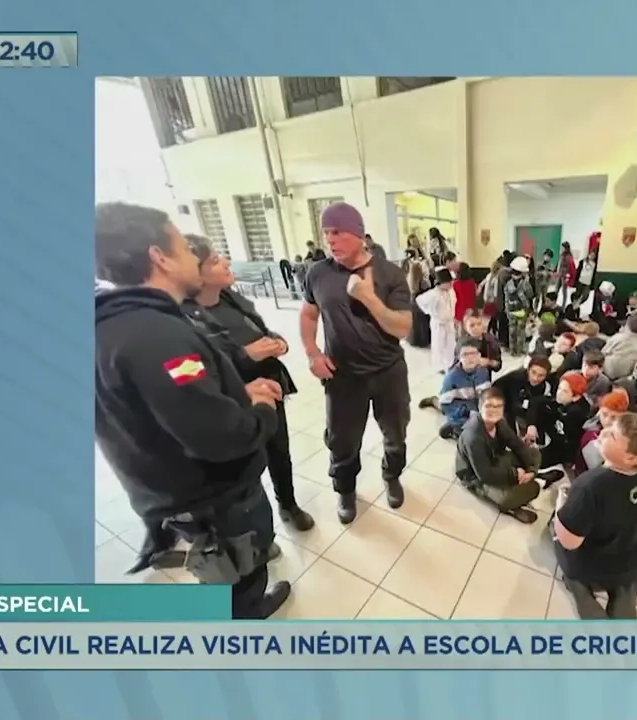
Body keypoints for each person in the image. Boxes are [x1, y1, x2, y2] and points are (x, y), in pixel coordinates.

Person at [93, 202, 290, 618]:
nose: (194, 257)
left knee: (222, 577)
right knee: (238, 581)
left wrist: (232, 392)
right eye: (184, 247)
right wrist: (260, 408)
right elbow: (222, 438)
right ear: (159, 257)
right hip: (213, 501)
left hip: (171, 491)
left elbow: (162, 406)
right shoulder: (158, 336)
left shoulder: (109, 325)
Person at [181, 235, 314, 531]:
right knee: (246, 467)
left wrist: (276, 342)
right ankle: (258, 532)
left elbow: (260, 330)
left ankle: (288, 504)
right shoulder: (182, 320)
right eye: (215, 260)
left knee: (279, 452)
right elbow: (192, 372)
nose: (226, 262)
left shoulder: (232, 298)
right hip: (230, 402)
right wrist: (244, 355)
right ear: (194, 272)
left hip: (268, 391)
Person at [300, 202, 414, 524]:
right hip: (343, 376)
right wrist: (312, 353)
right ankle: (345, 489)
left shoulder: (390, 274)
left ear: (359, 234)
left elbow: (402, 328)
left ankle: (392, 475)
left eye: (337, 232)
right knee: (342, 440)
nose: (330, 240)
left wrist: (369, 298)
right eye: (326, 233)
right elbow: (308, 314)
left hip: (388, 372)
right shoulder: (318, 273)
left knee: (395, 433)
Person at [553, 412, 637, 619]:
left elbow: (569, 541)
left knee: (556, 533)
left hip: (593, 565)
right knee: (624, 571)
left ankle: (582, 593)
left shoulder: (589, 485)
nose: (603, 432)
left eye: (613, 435)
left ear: (631, 458)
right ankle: (625, 591)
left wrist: (561, 505)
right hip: (629, 561)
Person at [456, 388, 543, 523]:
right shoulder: (472, 437)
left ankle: (522, 482)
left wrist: (530, 470)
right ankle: (510, 503)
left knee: (534, 453)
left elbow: (517, 444)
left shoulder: (500, 422)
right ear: (479, 407)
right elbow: (484, 475)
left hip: (497, 459)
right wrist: (515, 474)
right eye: (489, 406)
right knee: (530, 490)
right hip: (476, 477)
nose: (494, 410)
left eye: (498, 407)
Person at [532, 371, 594, 484]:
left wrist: (548, 425)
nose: (559, 393)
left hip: (564, 449)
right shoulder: (570, 403)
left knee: (532, 461)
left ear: (576, 397)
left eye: (564, 391)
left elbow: (562, 439)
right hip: (560, 438)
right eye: (559, 388)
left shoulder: (574, 414)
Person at [435, 343, 492, 439]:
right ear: (458, 357)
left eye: (473, 353)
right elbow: (445, 404)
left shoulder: (483, 372)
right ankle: (453, 428)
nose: (470, 358)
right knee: (472, 433)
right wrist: (466, 412)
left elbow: (486, 393)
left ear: (479, 355)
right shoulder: (451, 378)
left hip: (476, 407)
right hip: (460, 408)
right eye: (465, 354)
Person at [492, 356, 554, 437]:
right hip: (508, 406)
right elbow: (496, 386)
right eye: (533, 372)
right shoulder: (515, 377)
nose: (535, 378)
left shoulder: (547, 385)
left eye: (541, 375)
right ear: (528, 369)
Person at [417, 267, 457, 374]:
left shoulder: (451, 291)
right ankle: (439, 366)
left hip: (449, 322)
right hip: (438, 323)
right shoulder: (433, 293)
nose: (450, 284)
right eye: (448, 283)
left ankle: (450, 363)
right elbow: (419, 300)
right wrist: (430, 311)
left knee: (450, 344)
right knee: (439, 345)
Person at [502, 256, 535, 354]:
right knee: (517, 331)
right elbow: (530, 295)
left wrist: (506, 309)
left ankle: (515, 350)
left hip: (516, 309)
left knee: (515, 331)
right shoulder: (523, 283)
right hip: (518, 309)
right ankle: (517, 350)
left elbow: (506, 297)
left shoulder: (511, 283)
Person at [601, 313, 637, 381]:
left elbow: (603, 352)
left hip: (607, 370)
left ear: (627, 326)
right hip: (623, 376)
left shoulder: (617, 337)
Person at [451, 262, 477, 330]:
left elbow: (453, 299)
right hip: (471, 308)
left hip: (459, 310)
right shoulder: (472, 282)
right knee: (471, 329)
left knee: (461, 330)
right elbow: (474, 296)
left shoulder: (455, 284)